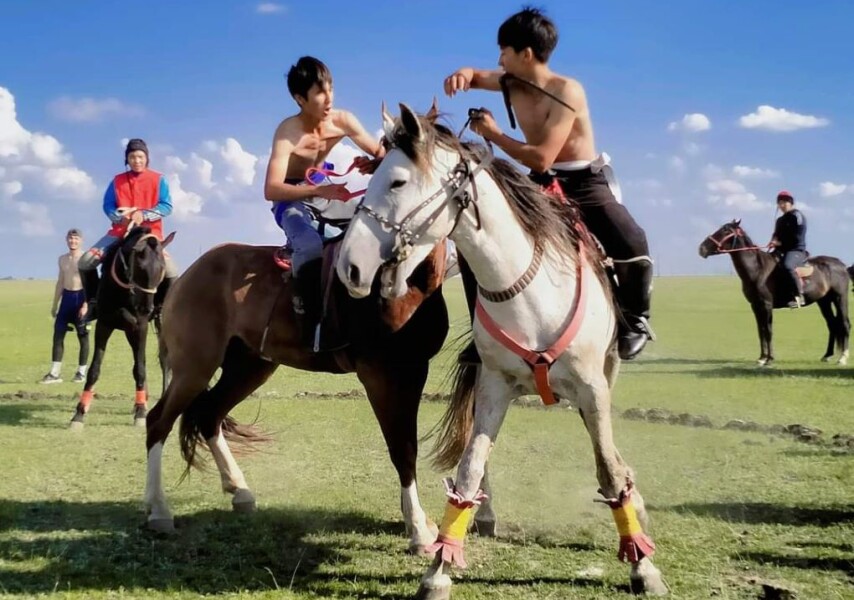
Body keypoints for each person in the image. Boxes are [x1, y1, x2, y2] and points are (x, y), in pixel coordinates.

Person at [443, 7, 654, 362]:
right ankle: (482, 332)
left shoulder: (567, 91)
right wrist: (462, 75)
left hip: (582, 180)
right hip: (537, 184)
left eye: (504, 51)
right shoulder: (510, 81)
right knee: (475, 239)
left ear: (525, 54)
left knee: (631, 237)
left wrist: (495, 135)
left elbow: (542, 157)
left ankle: (635, 320)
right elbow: (478, 76)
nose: (499, 58)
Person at [263, 56, 384, 349]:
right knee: (309, 245)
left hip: (322, 192)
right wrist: (319, 192)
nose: (328, 97)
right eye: (319, 92)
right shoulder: (287, 132)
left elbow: (381, 152)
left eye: (330, 88)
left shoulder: (343, 120)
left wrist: (374, 162)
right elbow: (272, 189)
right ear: (300, 98)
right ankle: (309, 326)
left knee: (373, 226)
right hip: (291, 198)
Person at [78, 138, 178, 321]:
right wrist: (120, 218)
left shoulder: (159, 180)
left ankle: (161, 309)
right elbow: (108, 205)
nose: (137, 160)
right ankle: (93, 303)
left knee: (171, 272)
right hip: (119, 233)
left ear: (146, 158)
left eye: (140, 156)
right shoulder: (117, 181)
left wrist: (144, 215)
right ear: (127, 159)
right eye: (132, 157)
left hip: (150, 234)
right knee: (85, 262)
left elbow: (167, 206)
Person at [39, 229, 90, 383]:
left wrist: (86, 305)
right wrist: (55, 304)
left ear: (81, 240)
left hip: (81, 297)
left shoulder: (85, 258)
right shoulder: (62, 259)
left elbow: (90, 284)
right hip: (66, 299)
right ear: (66, 240)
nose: (72, 241)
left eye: (75, 238)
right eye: (70, 238)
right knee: (58, 335)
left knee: (83, 337)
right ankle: (54, 374)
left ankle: (81, 373)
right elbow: (60, 282)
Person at [770, 190, 807, 308]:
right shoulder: (779, 220)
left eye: (784, 203)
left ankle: (799, 297)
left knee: (787, 266)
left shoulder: (797, 216)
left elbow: (797, 237)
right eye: (779, 203)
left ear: (790, 203)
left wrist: (779, 243)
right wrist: (773, 240)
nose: (781, 206)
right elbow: (776, 234)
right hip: (781, 250)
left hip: (796, 250)